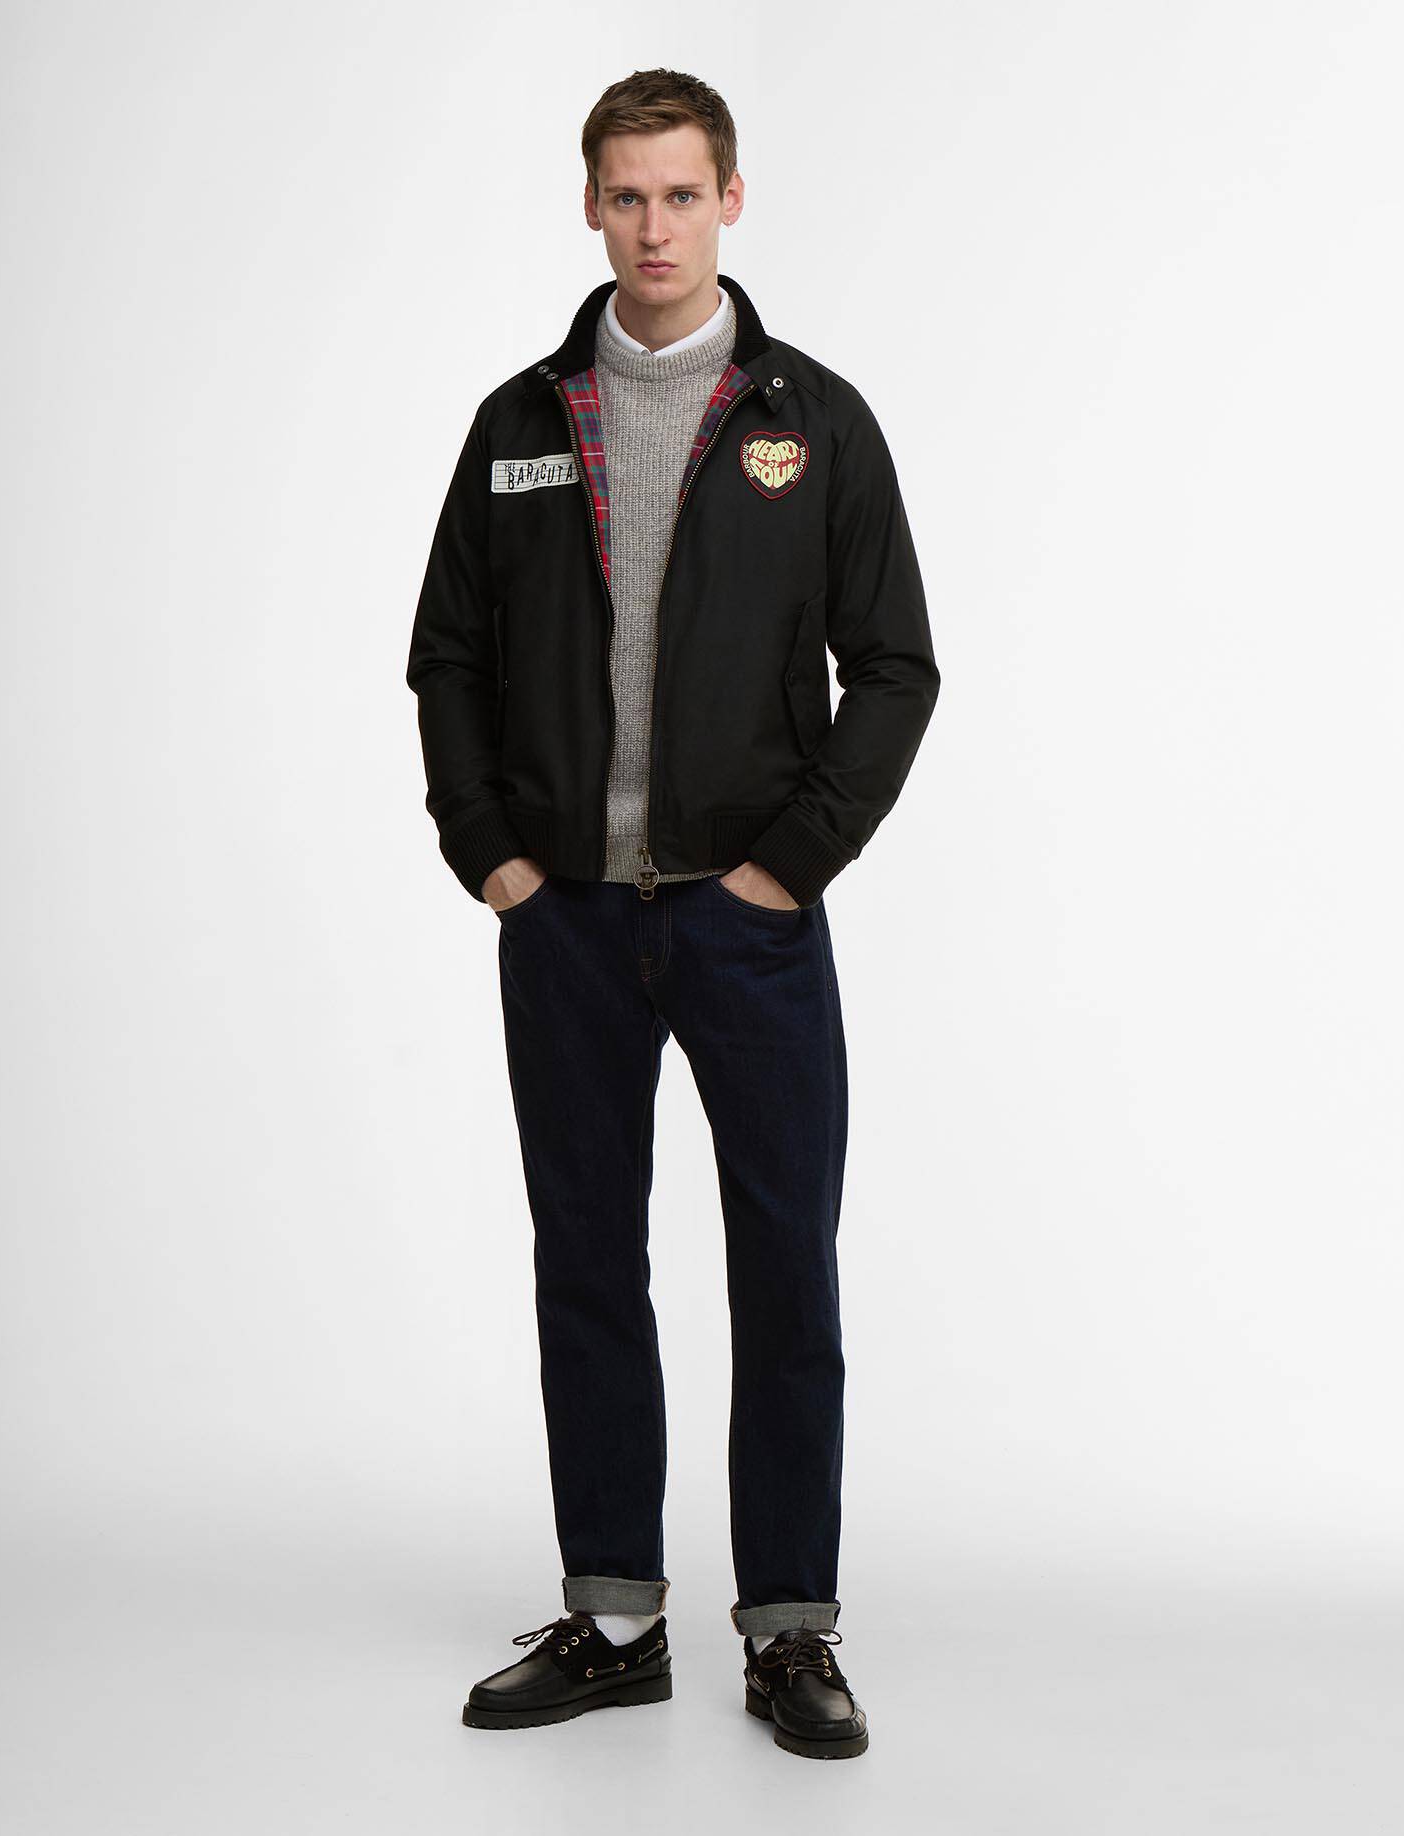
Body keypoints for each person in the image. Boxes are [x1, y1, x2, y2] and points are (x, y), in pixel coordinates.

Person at [406, 66, 938, 1761]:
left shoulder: (814, 420)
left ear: (731, 200)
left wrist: (793, 863)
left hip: (746, 923)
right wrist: (492, 854)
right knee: (586, 1261)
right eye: (625, 196)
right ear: (590, 206)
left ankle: (790, 1632)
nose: (654, 227)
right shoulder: (519, 422)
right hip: (566, 921)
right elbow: (449, 657)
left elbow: (897, 669)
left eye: (682, 195)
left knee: (784, 1269)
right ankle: (617, 1618)